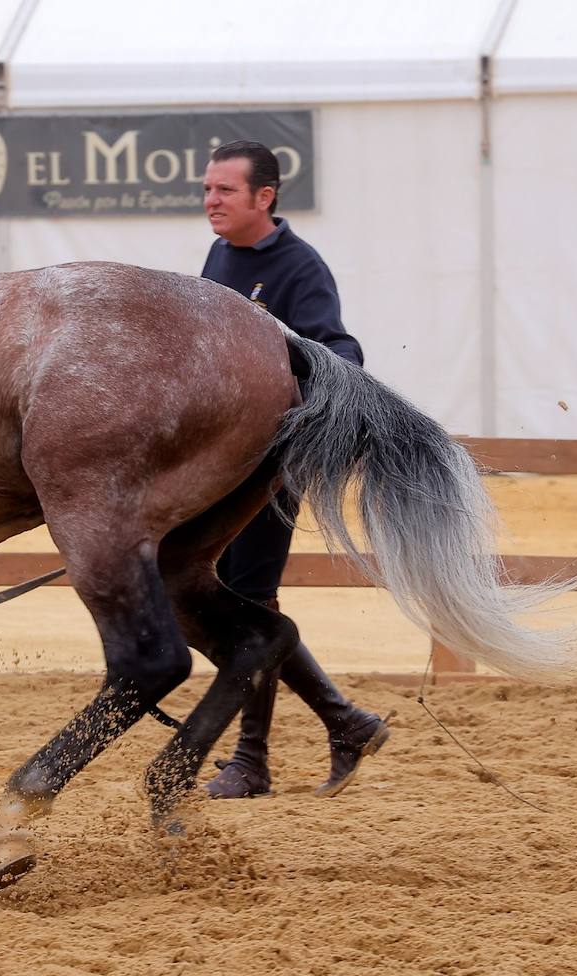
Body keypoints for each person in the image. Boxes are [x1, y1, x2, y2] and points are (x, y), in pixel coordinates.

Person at [198, 140, 390, 799]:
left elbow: (340, 357)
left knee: (246, 604)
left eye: (224, 191)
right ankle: (343, 721)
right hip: (222, 460)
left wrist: (282, 351)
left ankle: (253, 761)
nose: (210, 202)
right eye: (207, 190)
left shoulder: (301, 268)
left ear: (264, 198)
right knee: (236, 603)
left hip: (273, 465)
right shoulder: (220, 257)